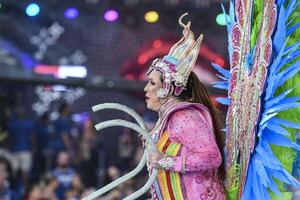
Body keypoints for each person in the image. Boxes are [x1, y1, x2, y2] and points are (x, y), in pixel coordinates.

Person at [144, 13, 226, 199]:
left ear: (167, 88)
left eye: (152, 83)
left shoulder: (183, 117)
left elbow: (211, 157)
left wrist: (166, 161)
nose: (146, 89)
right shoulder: (170, 118)